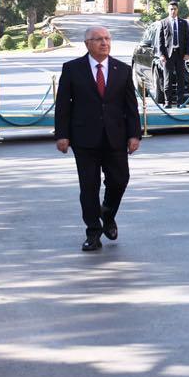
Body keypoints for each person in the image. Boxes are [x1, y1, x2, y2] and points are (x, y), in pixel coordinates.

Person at [53, 25, 141, 252]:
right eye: (98, 39)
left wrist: (134, 134)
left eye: (107, 38)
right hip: (84, 139)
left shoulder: (121, 69)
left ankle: (108, 214)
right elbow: (63, 105)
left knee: (120, 180)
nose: (104, 43)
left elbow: (131, 105)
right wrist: (62, 135)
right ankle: (93, 232)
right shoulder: (72, 69)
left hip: (115, 137)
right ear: (87, 44)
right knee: (89, 187)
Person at [156, 0, 189, 105]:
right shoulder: (163, 23)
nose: (173, 11)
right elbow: (160, 40)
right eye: (171, 9)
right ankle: (168, 102)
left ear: (177, 10)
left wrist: (187, 53)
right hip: (168, 55)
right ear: (168, 10)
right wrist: (161, 54)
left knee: (181, 79)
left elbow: (186, 39)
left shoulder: (183, 23)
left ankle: (180, 102)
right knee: (168, 78)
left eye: (175, 9)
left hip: (180, 54)